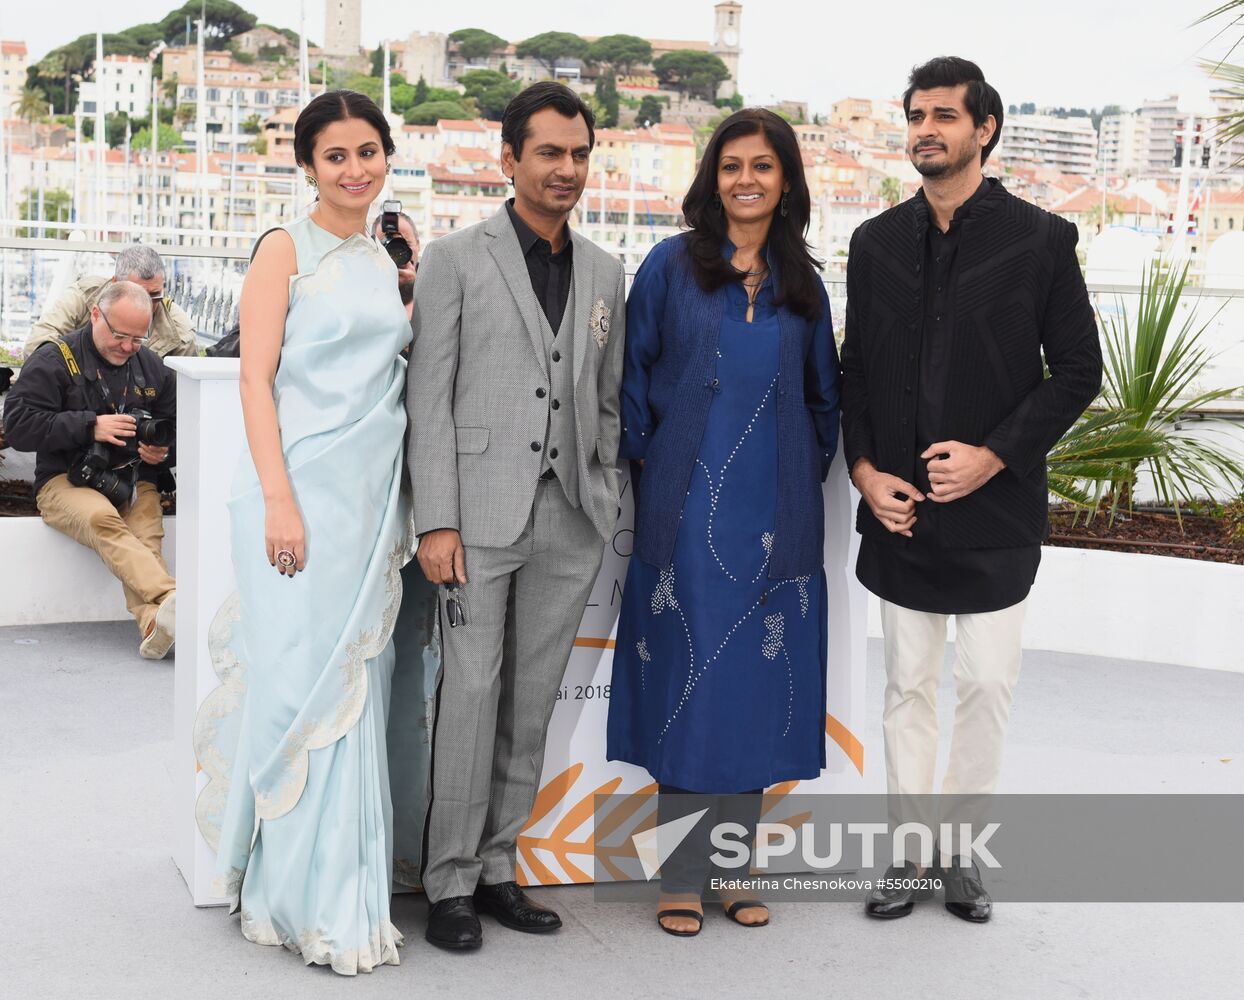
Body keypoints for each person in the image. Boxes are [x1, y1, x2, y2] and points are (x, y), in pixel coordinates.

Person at [841, 57, 1102, 923]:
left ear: (983, 128)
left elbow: (1076, 373)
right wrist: (868, 472)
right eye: (916, 114)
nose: (927, 129)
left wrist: (994, 455)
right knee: (908, 688)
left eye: (945, 115)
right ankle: (910, 859)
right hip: (900, 516)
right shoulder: (875, 244)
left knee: (986, 686)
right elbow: (855, 378)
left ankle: (960, 855)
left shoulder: (1041, 240)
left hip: (997, 514)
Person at [606, 108, 841, 936]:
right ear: (713, 178)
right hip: (684, 510)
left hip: (774, 517)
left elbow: (822, 399)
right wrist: (649, 468)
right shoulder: (671, 267)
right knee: (685, 688)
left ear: (786, 181)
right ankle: (680, 875)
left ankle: (736, 869)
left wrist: (791, 484)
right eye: (733, 165)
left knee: (752, 693)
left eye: (764, 166)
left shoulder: (803, 283)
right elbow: (630, 379)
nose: (747, 179)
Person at [409, 81, 626, 951]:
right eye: (550, 153)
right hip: (475, 519)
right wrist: (437, 521)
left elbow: (604, 403)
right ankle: (449, 882)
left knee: (529, 704)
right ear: (510, 160)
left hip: (569, 523)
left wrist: (603, 492)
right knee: (468, 696)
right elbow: (430, 399)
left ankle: (499, 869)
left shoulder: (608, 271)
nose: (567, 169)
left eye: (579, 154)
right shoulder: (457, 258)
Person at [206, 90, 417, 975]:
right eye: (337, 156)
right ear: (307, 166)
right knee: (301, 691)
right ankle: (293, 896)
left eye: (369, 151)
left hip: (372, 503)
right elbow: (256, 383)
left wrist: (413, 277)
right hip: (300, 498)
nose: (356, 169)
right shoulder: (282, 249)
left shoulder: (385, 255)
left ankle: (349, 892)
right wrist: (280, 500)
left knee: (357, 692)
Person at [4, 281, 177, 659]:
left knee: (146, 535)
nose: (128, 347)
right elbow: (17, 425)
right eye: (120, 335)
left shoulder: (151, 367)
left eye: (138, 338)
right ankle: (173, 599)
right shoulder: (55, 359)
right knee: (102, 519)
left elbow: (177, 426)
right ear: (96, 314)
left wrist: (161, 452)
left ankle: (155, 623)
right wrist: (90, 426)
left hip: (134, 479)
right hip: (65, 480)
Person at [24, 244, 198, 359]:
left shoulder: (180, 333)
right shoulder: (84, 296)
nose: (145, 304)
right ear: (115, 283)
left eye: (154, 295)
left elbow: (182, 398)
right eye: (136, 294)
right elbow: (37, 345)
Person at [371, 208, 420, 321]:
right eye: (385, 245)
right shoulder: (361, 284)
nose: (395, 252)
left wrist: (413, 287)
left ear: (418, 244)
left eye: (404, 244)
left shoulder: (436, 282)